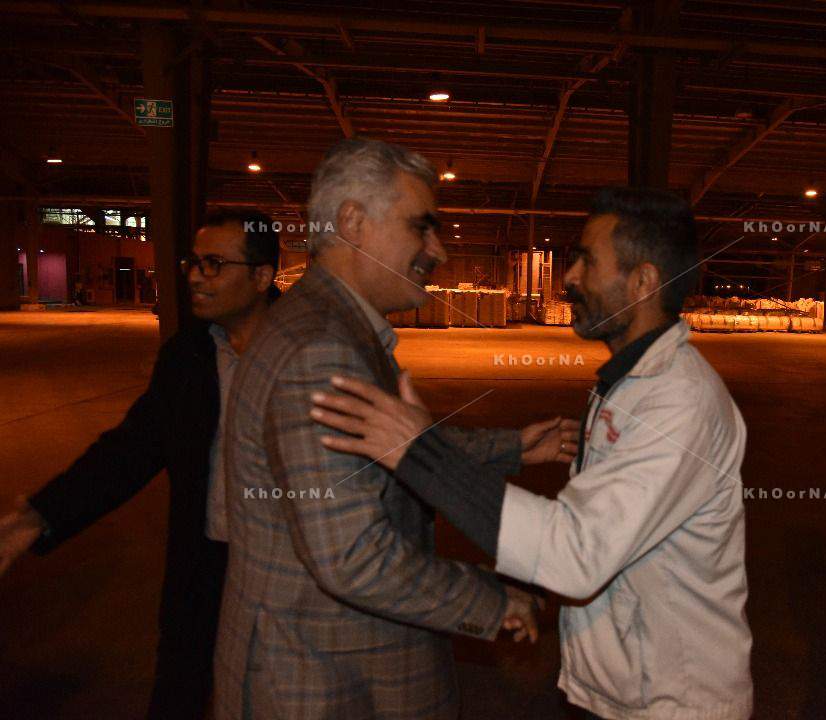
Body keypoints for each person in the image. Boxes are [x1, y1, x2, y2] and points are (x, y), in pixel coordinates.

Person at [310, 187, 755, 720]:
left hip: (671, 702)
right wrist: (524, 587)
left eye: (587, 261)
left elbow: (577, 553)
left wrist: (420, 454)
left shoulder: (679, 402)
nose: (570, 277)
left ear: (642, 282)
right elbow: (605, 529)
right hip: (622, 686)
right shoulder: (631, 382)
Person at [211, 138, 545, 720]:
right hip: (323, 681)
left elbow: (388, 444)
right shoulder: (321, 349)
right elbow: (352, 556)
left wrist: (512, 445)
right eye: (421, 227)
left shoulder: (326, 325)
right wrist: (490, 599)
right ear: (352, 223)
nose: (438, 249)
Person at [0, 209, 281, 719]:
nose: (195, 276)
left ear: (262, 277)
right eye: (193, 262)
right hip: (202, 564)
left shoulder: (309, 356)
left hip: (285, 575)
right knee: (178, 691)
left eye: (215, 264)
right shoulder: (188, 356)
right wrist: (39, 516)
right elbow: (130, 450)